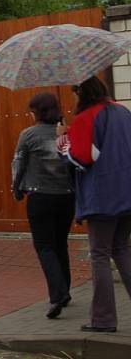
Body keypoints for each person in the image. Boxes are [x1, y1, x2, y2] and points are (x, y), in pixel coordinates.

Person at [58, 76, 131, 333]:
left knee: (99, 255)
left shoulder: (86, 117)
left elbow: (82, 158)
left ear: (82, 93)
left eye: (75, 92)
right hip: (127, 192)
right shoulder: (123, 111)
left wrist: (63, 144)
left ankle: (104, 319)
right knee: (121, 250)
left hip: (103, 197)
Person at [12, 92, 74, 319]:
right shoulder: (65, 132)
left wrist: (16, 189)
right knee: (60, 244)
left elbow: (18, 163)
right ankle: (65, 290)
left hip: (40, 196)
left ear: (37, 112)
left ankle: (57, 294)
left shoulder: (28, 135)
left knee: (45, 246)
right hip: (67, 196)